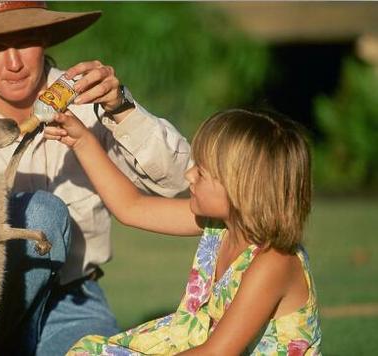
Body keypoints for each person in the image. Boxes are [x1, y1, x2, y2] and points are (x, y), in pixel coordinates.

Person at [0, 1, 191, 355]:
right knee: (41, 214)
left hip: (73, 299)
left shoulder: (89, 101)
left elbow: (181, 186)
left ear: (45, 38)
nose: (14, 62)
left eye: (24, 40)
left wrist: (123, 108)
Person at [44, 108, 322, 355]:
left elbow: (218, 353)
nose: (189, 175)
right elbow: (131, 207)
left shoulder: (273, 263)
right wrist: (82, 141)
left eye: (201, 172)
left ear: (241, 190)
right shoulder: (219, 225)